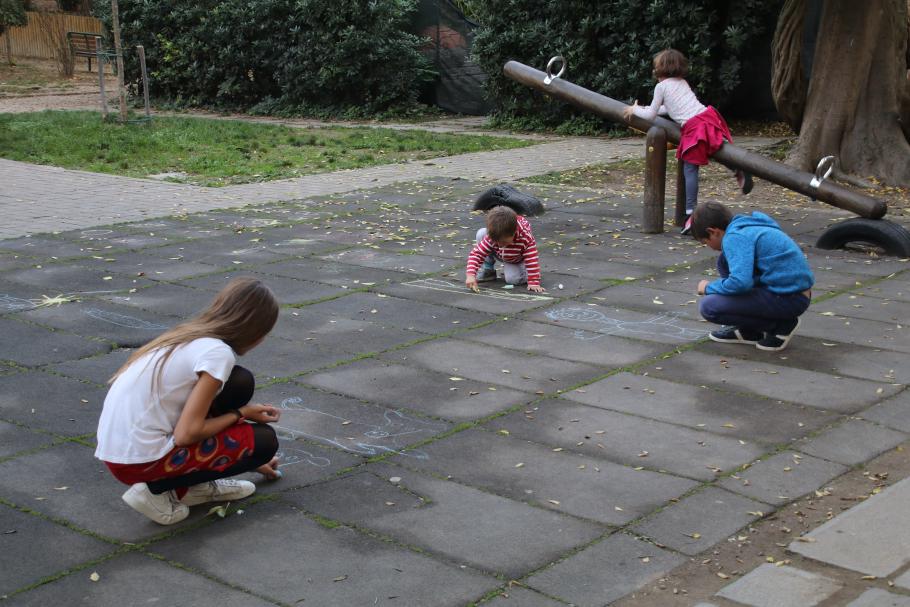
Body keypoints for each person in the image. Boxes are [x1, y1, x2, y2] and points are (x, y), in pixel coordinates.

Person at [95, 277, 283, 525]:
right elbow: (187, 434)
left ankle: (193, 487)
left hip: (122, 451)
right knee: (264, 441)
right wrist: (242, 415)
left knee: (239, 381)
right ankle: (155, 491)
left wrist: (244, 458)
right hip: (139, 463)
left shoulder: (189, 336)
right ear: (255, 331)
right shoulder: (219, 354)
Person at [622, 48, 753, 235]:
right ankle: (737, 169)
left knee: (690, 168)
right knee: (715, 148)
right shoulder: (681, 82)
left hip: (694, 125)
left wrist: (634, 110)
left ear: (660, 70)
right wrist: (642, 108)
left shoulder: (661, 87)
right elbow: (666, 108)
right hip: (707, 116)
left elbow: (650, 115)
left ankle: (691, 214)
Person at [691, 201, 814, 352]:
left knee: (709, 307)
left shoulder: (734, 237)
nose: (708, 246)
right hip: (795, 293)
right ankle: (749, 331)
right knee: (724, 261)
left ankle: (780, 326)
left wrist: (708, 287)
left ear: (713, 231)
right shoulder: (747, 227)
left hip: (789, 298)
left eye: (705, 241)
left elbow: (740, 283)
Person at [465, 205, 545, 293]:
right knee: (481, 233)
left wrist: (533, 281)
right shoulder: (494, 235)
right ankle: (488, 270)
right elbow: (477, 254)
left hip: (516, 259)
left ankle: (523, 271)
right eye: (497, 241)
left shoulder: (525, 238)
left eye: (503, 242)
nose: (500, 245)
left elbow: (532, 259)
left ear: (513, 233)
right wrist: (470, 275)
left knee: (513, 280)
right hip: (500, 254)